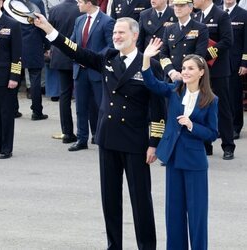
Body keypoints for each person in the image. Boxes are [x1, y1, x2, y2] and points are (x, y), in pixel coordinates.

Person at [34, 15, 165, 249]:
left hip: (135, 142)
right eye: (115, 32)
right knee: (110, 200)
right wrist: (49, 29)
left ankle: (147, 246)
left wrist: (154, 142)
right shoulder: (108, 57)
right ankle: (113, 245)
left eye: (121, 33)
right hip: (108, 138)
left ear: (135, 35)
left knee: (141, 201)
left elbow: (158, 109)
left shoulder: (149, 64)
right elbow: (77, 51)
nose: (116, 36)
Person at [142, 38, 218, 250]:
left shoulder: (211, 99)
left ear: (201, 72)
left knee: (197, 216)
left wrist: (192, 125)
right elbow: (152, 83)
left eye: (190, 68)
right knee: (173, 213)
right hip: (173, 158)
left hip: (194, 163)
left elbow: (212, 133)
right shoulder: (175, 89)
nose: (185, 71)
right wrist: (147, 58)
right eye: (184, 68)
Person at [68, 0, 115, 151]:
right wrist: (76, 57)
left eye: (80, 2)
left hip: (96, 70)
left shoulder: (107, 21)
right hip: (80, 70)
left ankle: (101, 136)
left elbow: (111, 46)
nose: (77, 5)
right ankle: (82, 139)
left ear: (89, 3)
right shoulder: (79, 20)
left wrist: (92, 59)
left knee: (101, 106)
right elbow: (73, 42)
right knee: (80, 106)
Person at [193, 0, 235, 160]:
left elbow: (227, 41)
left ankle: (228, 145)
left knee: (223, 107)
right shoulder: (196, 16)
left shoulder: (221, 15)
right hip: (201, 71)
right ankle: (206, 144)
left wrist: (205, 54)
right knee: (202, 106)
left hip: (217, 69)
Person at [48, 0, 81, 144]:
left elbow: (49, 31)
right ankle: (87, 132)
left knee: (64, 95)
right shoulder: (81, 8)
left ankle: (67, 132)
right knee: (83, 95)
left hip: (60, 54)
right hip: (78, 54)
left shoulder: (55, 10)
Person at [159, 0, 209, 82]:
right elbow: (163, 54)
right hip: (172, 77)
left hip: (191, 77)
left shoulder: (200, 28)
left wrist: (185, 71)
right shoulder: (169, 29)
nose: (178, 9)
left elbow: (199, 55)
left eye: (182, 6)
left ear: (190, 8)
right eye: (176, 6)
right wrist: (171, 72)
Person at [0, 0, 22, 159]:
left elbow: (17, 54)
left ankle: (6, 147)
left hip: (4, 77)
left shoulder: (11, 24)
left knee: (5, 114)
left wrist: (14, 77)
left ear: (0, 2)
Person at [223, 0, 247, 139]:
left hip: (235, 62)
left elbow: (246, 42)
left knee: (234, 96)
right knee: (220, 96)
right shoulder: (217, 12)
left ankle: (235, 127)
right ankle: (223, 127)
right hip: (217, 62)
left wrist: (244, 62)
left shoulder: (243, 14)